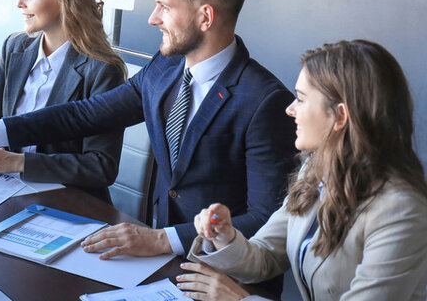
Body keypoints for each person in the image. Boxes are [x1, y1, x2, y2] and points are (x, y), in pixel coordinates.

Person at [0, 0, 297, 260]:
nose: (152, 18)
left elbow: (266, 218)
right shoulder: (166, 69)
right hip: (161, 261)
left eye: (163, 7)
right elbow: (83, 115)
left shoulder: (265, 102)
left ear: (205, 17)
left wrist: (162, 239)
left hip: (224, 274)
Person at [179, 40, 427, 300]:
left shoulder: (401, 211)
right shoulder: (316, 170)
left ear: (340, 117)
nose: (290, 109)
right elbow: (264, 256)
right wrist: (224, 237)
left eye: (300, 98)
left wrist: (240, 299)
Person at [0, 0, 127, 204]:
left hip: (68, 202)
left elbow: (100, 166)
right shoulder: (15, 48)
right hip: (5, 191)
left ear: (64, 1)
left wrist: (17, 162)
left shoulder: (102, 70)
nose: (19, 2)